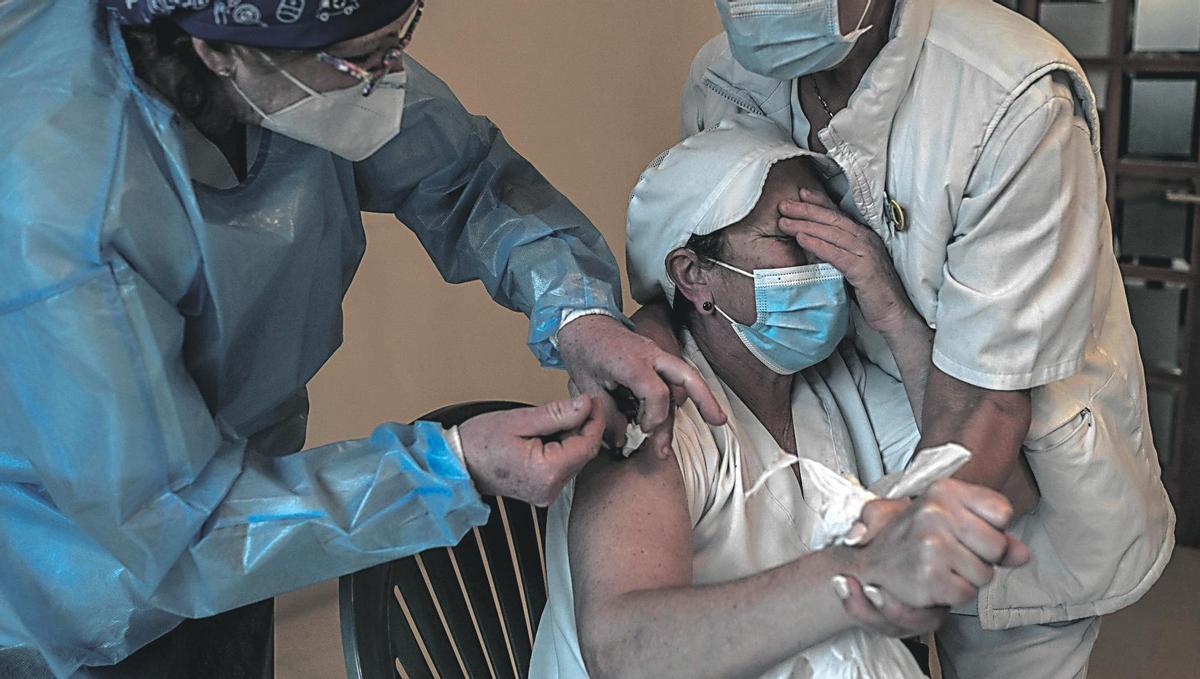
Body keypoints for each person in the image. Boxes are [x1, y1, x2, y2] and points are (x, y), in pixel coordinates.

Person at [0, 1, 724, 676]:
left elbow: (463, 174)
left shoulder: (300, 61)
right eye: (361, 62)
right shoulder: (63, 211)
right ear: (217, 52)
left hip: (243, 516)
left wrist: (579, 314)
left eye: (398, 41)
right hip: (71, 577)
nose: (389, 82)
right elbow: (174, 529)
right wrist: (450, 465)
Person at [632, 0, 1176, 676]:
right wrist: (642, 335)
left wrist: (879, 554)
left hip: (1004, 476)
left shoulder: (1011, 100)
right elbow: (687, 244)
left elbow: (990, 404)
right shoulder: (721, 81)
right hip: (853, 487)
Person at [529, 115, 1030, 678]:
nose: (830, 260)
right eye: (793, 236)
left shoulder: (832, 385)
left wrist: (889, 308)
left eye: (833, 231)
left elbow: (1004, 485)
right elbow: (623, 651)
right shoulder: (649, 409)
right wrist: (857, 575)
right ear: (694, 275)